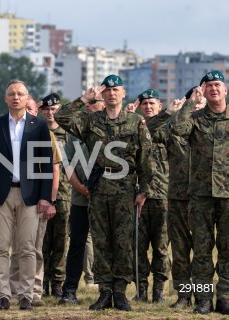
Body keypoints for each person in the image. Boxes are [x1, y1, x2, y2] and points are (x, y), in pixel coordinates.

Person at [54, 75, 153, 311]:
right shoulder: (91, 120)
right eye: (107, 90)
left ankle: (120, 293)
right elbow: (61, 117)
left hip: (125, 187)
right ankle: (104, 291)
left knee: (123, 242)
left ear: (123, 92)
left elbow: (146, 161)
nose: (111, 94)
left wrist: (144, 191)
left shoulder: (135, 122)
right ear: (102, 94)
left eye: (115, 90)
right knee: (100, 242)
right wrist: (84, 98)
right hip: (99, 188)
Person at [0, 79, 53, 311]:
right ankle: (3, 295)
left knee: (27, 247)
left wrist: (45, 197)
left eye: (20, 94)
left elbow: (46, 164)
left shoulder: (38, 126)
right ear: (5, 98)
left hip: (30, 195)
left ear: (26, 97)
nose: (15, 97)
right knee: (1, 246)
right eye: (11, 93)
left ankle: (26, 295)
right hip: (2, 194)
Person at [169, 70, 229, 315]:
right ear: (202, 91)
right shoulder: (195, 118)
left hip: (227, 195)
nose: (213, 89)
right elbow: (177, 129)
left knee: (227, 249)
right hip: (201, 196)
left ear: (225, 90)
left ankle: (225, 297)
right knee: (202, 251)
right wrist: (189, 104)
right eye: (208, 86)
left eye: (217, 85)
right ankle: (204, 298)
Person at [139, 88, 205, 309]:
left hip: (206, 198)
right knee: (180, 252)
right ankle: (184, 296)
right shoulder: (172, 130)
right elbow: (148, 130)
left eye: (198, 104)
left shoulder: (215, 129)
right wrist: (169, 113)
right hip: (177, 198)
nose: (195, 107)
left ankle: (205, 297)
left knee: (204, 252)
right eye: (192, 104)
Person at [8, 95, 60, 308]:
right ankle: (14, 289)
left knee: (34, 247)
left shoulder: (45, 134)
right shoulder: (12, 133)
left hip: (38, 199)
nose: (27, 113)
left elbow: (54, 169)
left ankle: (35, 291)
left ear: (35, 111)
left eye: (31, 109)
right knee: (16, 247)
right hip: (14, 196)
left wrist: (50, 199)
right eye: (24, 109)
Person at [59, 94, 106, 305]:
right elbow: (66, 161)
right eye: (87, 104)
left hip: (107, 198)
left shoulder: (111, 128)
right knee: (77, 244)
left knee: (106, 246)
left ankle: (108, 291)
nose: (89, 107)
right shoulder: (76, 133)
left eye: (93, 103)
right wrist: (78, 186)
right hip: (80, 198)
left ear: (103, 105)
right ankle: (69, 291)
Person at [130, 89, 171, 303]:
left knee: (161, 247)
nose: (148, 107)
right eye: (144, 104)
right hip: (137, 197)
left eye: (152, 103)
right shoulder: (134, 128)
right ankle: (141, 289)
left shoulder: (168, 129)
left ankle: (159, 290)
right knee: (138, 246)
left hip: (162, 196)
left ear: (160, 106)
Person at [39, 93, 71, 298]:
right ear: (42, 111)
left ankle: (57, 282)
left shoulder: (68, 134)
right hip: (41, 193)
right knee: (41, 240)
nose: (50, 113)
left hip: (65, 194)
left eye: (54, 109)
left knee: (60, 241)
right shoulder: (36, 133)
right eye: (47, 109)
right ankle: (40, 281)